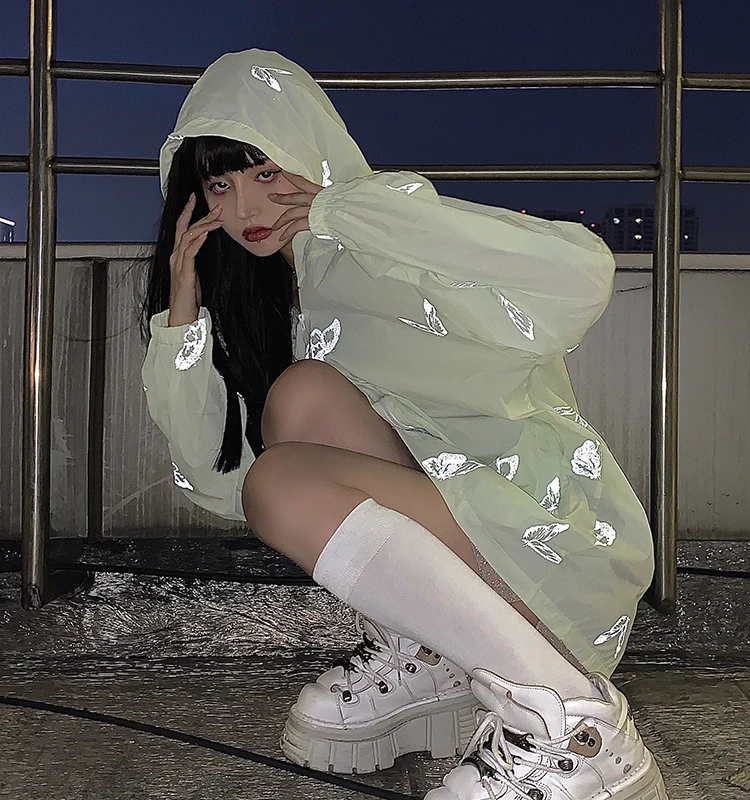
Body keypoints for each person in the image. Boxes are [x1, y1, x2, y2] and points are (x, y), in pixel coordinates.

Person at [140, 49, 668, 799]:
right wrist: (181, 318)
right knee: (299, 399)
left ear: (310, 153)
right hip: (477, 547)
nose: (249, 208)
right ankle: (433, 662)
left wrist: (348, 212)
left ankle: (573, 725)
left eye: (266, 171)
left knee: (285, 465)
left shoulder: (383, 223)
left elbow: (581, 274)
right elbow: (221, 486)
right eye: (220, 186)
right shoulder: (287, 293)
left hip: (547, 545)